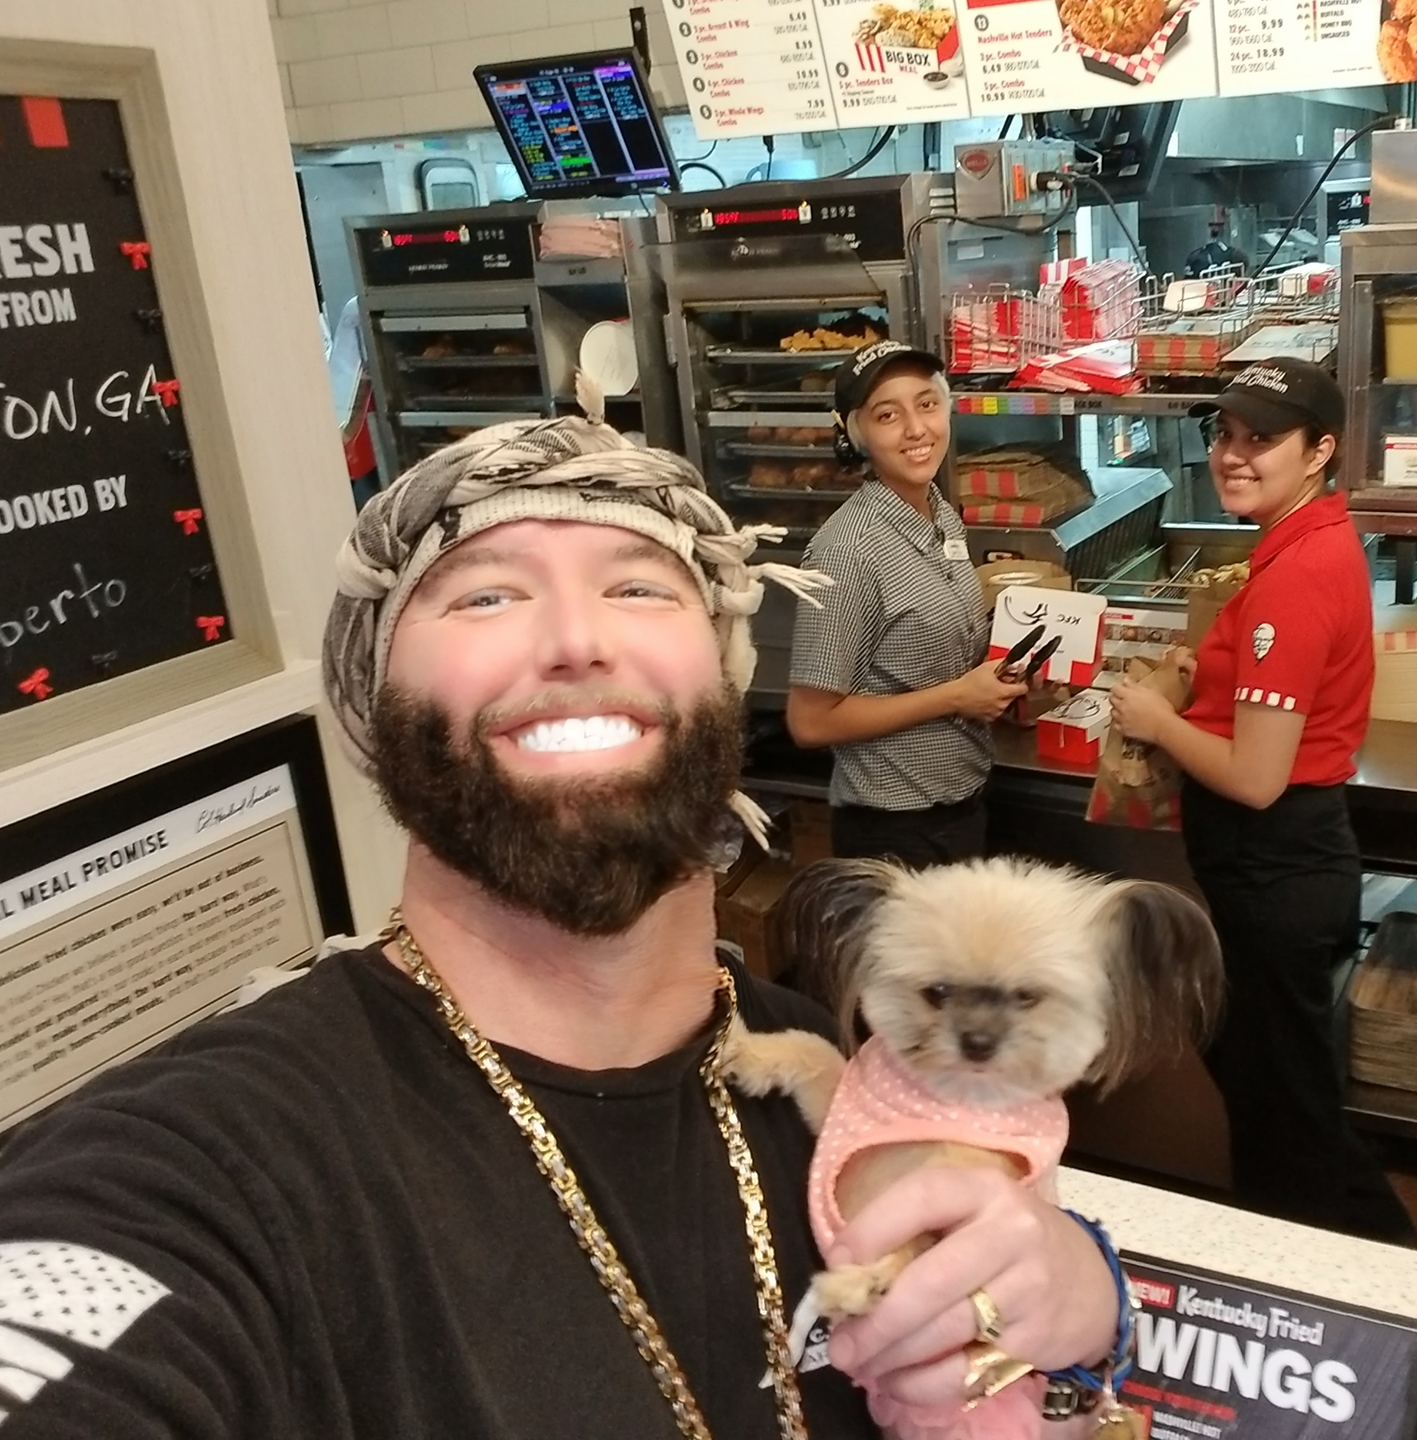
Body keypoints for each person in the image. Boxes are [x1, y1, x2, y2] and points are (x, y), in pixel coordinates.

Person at [0, 405, 1128, 1435]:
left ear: (723, 671)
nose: (576, 638)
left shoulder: (838, 1064)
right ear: (375, 703)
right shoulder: (209, 1154)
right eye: (485, 594)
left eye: (639, 587)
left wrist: (1091, 1314)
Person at [1108, 359, 1417, 1245]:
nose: (1234, 455)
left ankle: (1322, 1279)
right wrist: (1204, 674)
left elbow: (1255, 775)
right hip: (1282, 862)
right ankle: (1396, 1263)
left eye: (1264, 439)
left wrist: (1159, 722)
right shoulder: (1307, 538)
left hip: (1274, 862)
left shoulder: (1294, 574)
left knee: (1285, 1128)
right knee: (1283, 1097)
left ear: (1320, 451)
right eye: (1226, 434)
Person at [786, 341, 1026, 865]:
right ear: (857, 434)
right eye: (888, 415)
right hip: (893, 832)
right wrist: (957, 696)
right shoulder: (847, 550)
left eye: (927, 404)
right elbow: (810, 723)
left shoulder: (940, 515)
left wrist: (1000, 682)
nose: (917, 429)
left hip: (962, 808)